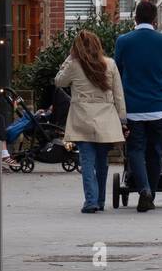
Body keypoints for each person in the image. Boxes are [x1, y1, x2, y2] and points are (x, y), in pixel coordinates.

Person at [114, 1, 162, 212]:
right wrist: (160, 85)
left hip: (132, 106)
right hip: (157, 105)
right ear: (155, 20)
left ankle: (144, 190)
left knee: (135, 149)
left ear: (135, 18)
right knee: (155, 150)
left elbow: (118, 70)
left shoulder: (123, 41)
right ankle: (150, 190)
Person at [54, 30, 127, 213]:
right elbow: (118, 94)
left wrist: (68, 59)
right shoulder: (109, 64)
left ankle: (91, 201)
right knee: (102, 162)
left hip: (82, 117)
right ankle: (100, 200)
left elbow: (59, 81)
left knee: (87, 161)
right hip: (106, 117)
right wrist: (122, 119)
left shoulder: (74, 65)